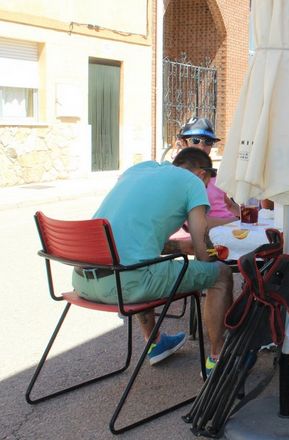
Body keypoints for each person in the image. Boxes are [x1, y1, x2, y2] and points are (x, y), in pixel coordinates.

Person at [72, 147, 234, 374]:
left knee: (144, 261)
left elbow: (132, 236)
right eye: (206, 185)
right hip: (127, 285)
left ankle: (155, 343)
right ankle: (218, 358)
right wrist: (207, 261)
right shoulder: (193, 182)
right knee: (221, 275)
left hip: (83, 282)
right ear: (202, 174)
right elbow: (202, 250)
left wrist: (180, 247)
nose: (204, 191)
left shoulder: (138, 170)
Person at [176, 117, 240, 228]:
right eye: (195, 140)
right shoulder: (180, 178)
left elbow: (228, 204)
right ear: (184, 143)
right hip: (213, 233)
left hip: (231, 230)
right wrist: (235, 222)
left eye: (208, 142)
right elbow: (192, 222)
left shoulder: (213, 175)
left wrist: (249, 216)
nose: (201, 147)